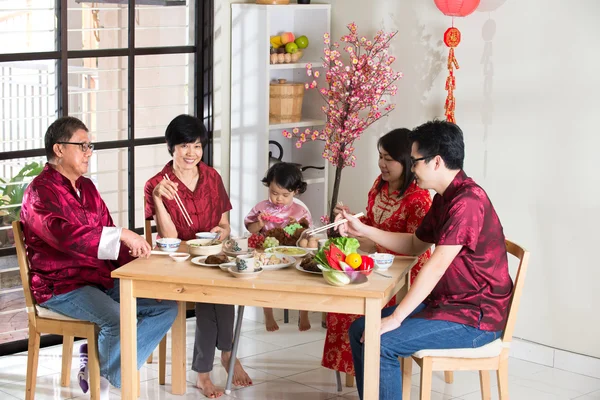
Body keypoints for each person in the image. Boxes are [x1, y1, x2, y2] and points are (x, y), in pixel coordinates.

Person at [338, 120, 513, 400]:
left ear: (436, 162)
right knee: (361, 328)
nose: (411, 167)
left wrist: (397, 317)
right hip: (449, 305)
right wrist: (363, 229)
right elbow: (415, 244)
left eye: (415, 161)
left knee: (380, 342)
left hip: (474, 316)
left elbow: (436, 266)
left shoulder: (467, 202)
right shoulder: (445, 198)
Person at [20, 117, 179, 400]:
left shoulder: (88, 188)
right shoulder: (39, 193)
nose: (89, 152)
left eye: (89, 146)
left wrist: (137, 259)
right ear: (59, 149)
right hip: (60, 286)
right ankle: (106, 377)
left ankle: (100, 371)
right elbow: (65, 236)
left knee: (165, 307)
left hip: (98, 279)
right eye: (82, 145)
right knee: (118, 319)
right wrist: (123, 235)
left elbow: (108, 233)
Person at [144, 114, 251, 398]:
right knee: (208, 293)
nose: (191, 153)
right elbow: (169, 240)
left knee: (226, 282)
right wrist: (157, 199)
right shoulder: (157, 184)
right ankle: (207, 371)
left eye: (197, 146)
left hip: (211, 255)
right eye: (184, 146)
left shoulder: (212, 177)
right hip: (177, 261)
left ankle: (223, 356)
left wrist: (221, 231)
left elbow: (226, 226)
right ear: (171, 148)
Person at [321, 128, 432, 378]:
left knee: (354, 308)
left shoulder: (419, 199)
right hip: (376, 264)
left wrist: (370, 242)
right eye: (380, 156)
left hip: (406, 276)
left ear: (406, 161)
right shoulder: (379, 184)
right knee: (340, 300)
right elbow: (371, 221)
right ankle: (361, 372)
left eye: (389, 159)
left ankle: (373, 374)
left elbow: (417, 251)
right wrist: (352, 223)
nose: (382, 163)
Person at [245, 162, 312, 332]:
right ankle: (268, 313)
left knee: (303, 281)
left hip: (294, 251)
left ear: (295, 192)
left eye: (285, 195)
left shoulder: (300, 210)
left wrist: (296, 225)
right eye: (274, 193)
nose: (279, 199)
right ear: (268, 186)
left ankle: (303, 313)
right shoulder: (261, 208)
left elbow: (307, 233)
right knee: (263, 282)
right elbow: (250, 228)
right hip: (268, 251)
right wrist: (259, 224)